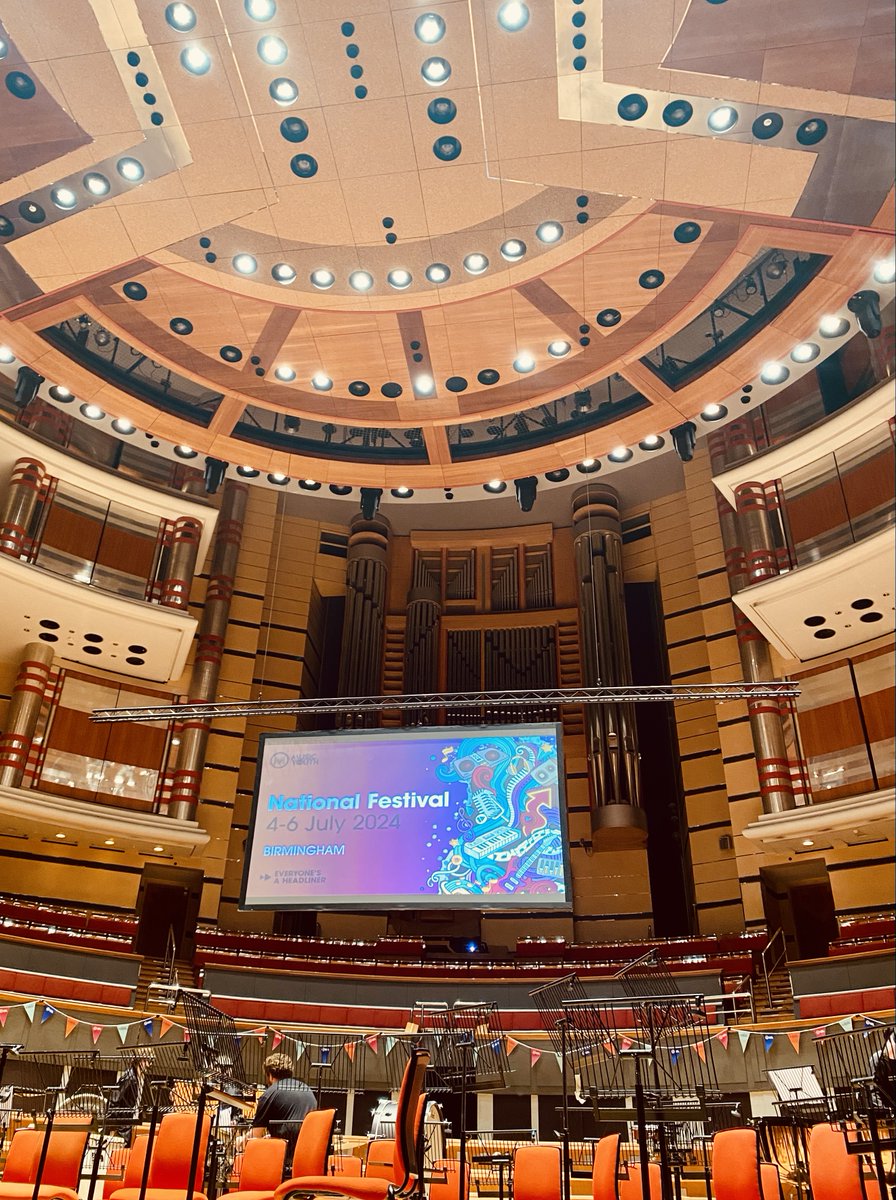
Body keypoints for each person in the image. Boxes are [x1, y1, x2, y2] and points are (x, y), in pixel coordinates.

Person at [251, 1053, 316, 1176]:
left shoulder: (270, 1093)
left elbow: (256, 1137)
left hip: (282, 1157)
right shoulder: (306, 1089)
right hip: (308, 1155)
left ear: (270, 1075)